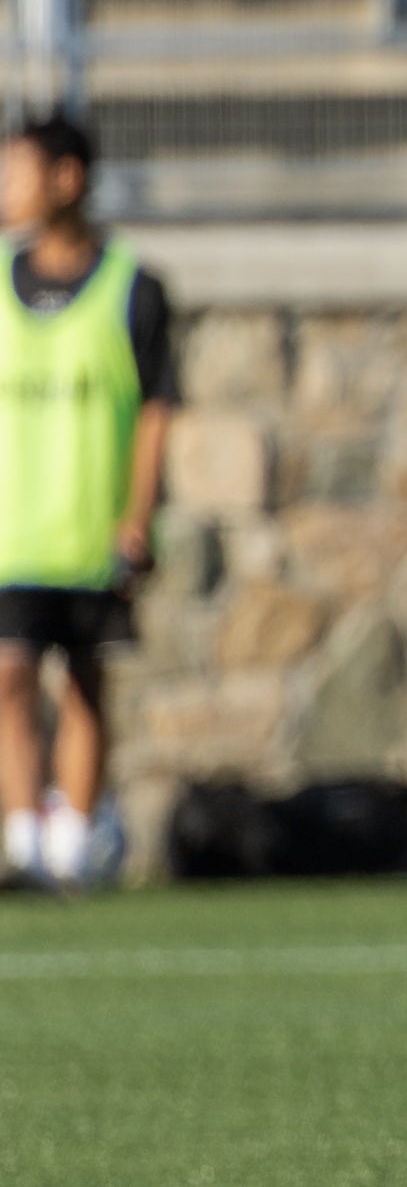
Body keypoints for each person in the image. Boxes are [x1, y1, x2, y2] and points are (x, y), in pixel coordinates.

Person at [0, 111, 172, 892]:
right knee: (9, 674)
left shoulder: (131, 286)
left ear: (67, 178)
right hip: (14, 530)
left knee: (82, 685)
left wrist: (136, 516)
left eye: (19, 172)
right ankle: (24, 832)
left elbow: (156, 411)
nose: (8, 189)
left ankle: (74, 833)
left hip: (89, 531)